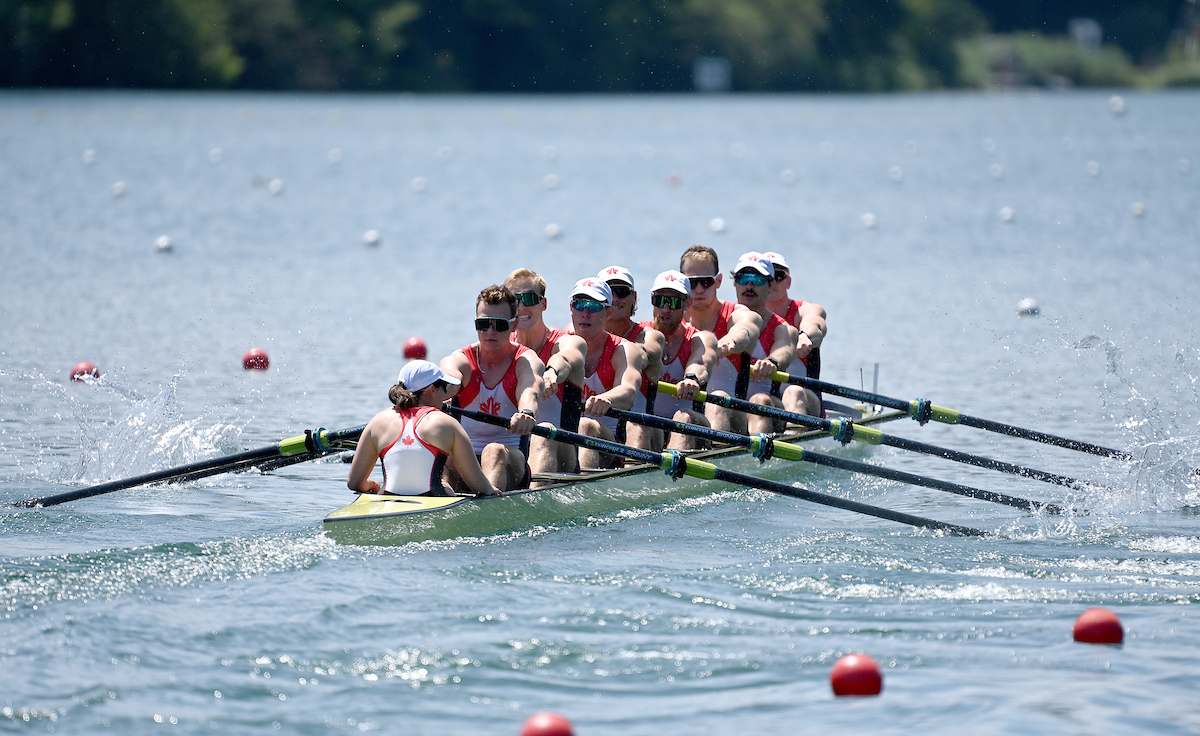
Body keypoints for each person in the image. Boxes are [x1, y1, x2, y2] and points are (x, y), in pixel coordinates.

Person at [439, 285, 543, 492]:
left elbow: (529, 391)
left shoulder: (525, 360)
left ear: (514, 326)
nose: (490, 331)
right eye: (483, 324)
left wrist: (526, 413)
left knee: (493, 451)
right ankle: (436, 496)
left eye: (499, 325)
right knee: (441, 449)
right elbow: (447, 381)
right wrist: (433, 394)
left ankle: (488, 505)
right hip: (464, 462)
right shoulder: (461, 360)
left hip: (510, 459)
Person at [346, 360, 501, 497]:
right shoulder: (447, 423)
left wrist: (373, 485)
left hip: (387, 501)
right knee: (446, 488)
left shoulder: (377, 421)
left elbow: (354, 483)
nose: (446, 396)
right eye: (444, 387)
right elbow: (478, 486)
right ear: (432, 390)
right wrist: (492, 490)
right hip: (433, 503)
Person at [503, 268, 587, 477]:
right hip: (516, 454)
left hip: (563, 454)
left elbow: (566, 358)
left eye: (529, 299)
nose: (521, 306)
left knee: (544, 431)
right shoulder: (499, 349)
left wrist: (551, 373)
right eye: (515, 300)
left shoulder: (567, 341)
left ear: (543, 304)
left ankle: (533, 502)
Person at [723, 252, 818, 433]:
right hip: (729, 407)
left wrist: (772, 361)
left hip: (768, 406)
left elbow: (784, 351)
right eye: (743, 278)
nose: (749, 285)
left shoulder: (783, 328)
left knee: (760, 400)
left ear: (770, 285)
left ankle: (785, 447)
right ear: (734, 283)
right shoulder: (719, 316)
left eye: (757, 280)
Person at [678, 244, 763, 432]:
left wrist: (731, 341)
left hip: (734, 417)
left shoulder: (737, 314)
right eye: (693, 282)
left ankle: (716, 453)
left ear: (719, 281)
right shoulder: (673, 322)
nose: (699, 289)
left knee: (716, 399)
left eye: (706, 282)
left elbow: (747, 327)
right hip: (687, 418)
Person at [567, 277, 643, 468]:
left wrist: (607, 399)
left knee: (586, 425)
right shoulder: (559, 346)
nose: (585, 312)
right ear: (571, 308)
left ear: (608, 311)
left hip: (608, 444)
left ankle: (582, 487)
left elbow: (629, 391)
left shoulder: (624, 350)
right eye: (579, 304)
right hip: (565, 440)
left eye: (593, 306)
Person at [641, 270, 717, 451]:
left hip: (692, 425)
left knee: (683, 417)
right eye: (660, 301)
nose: (665, 309)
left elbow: (700, 363)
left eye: (674, 302)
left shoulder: (700, 339)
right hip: (650, 427)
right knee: (641, 422)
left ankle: (675, 470)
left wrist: (691, 378)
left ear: (687, 303)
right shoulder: (639, 335)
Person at [599, 265, 664, 449]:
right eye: (609, 292)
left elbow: (643, 354)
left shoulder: (649, 336)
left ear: (634, 297)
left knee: (637, 426)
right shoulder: (575, 338)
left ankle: (633, 469)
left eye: (622, 292)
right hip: (597, 434)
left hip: (643, 432)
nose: (615, 298)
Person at [761, 251, 827, 371]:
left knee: (794, 391)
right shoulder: (746, 315)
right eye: (767, 277)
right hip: (762, 388)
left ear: (789, 282)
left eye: (778, 276)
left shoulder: (805, 310)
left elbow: (815, 324)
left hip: (803, 389)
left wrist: (804, 336)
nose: (773, 282)